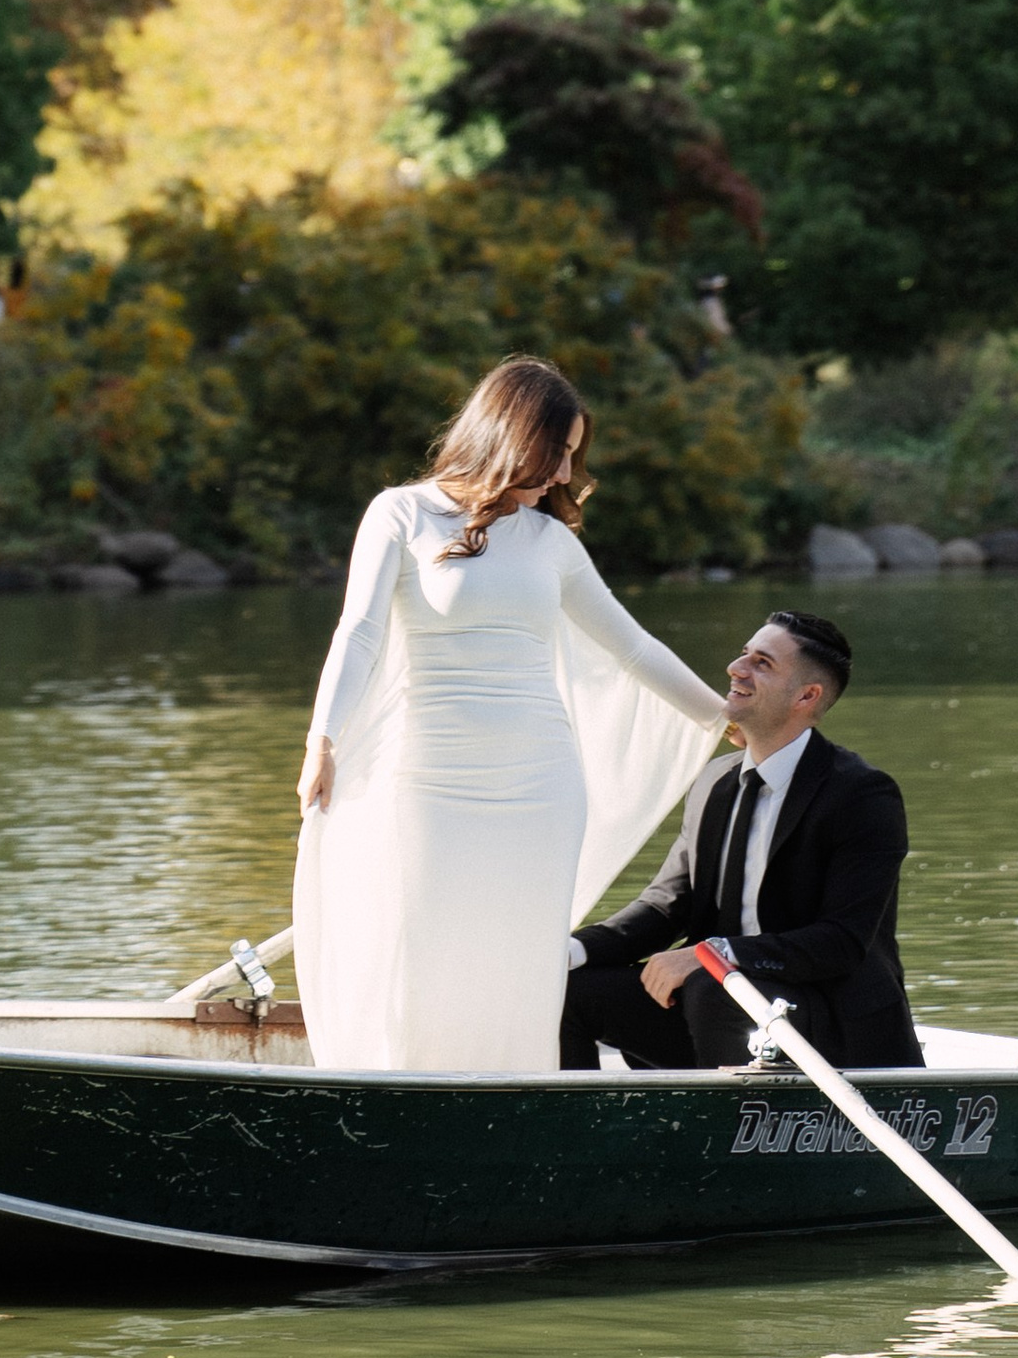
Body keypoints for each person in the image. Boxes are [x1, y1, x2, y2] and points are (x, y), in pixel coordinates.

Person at [291, 357, 727, 1070]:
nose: (562, 473)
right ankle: (408, 1089)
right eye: (557, 451)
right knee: (420, 941)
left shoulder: (552, 542)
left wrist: (727, 717)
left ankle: (514, 1088)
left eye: (572, 457)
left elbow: (634, 650)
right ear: (512, 433)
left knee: (515, 954)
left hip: (539, 786)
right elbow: (359, 632)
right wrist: (323, 740)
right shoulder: (400, 513)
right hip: (426, 777)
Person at [560, 610, 919, 1072]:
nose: (736, 667)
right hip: (717, 1007)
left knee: (716, 985)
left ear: (806, 696)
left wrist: (714, 955)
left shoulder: (862, 794)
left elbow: (840, 942)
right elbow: (667, 906)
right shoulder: (715, 780)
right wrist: (570, 951)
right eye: (744, 654)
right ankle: (586, 1134)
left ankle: (727, 1132)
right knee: (568, 988)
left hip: (825, 1021)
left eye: (762, 663)